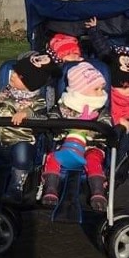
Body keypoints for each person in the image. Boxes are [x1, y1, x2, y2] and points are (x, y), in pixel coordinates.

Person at [0, 53, 61, 202]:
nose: (13, 75)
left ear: (30, 83)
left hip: (22, 140)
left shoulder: (37, 102)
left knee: (22, 153)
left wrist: (27, 113)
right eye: (15, 72)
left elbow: (44, 118)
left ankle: (15, 188)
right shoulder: (4, 93)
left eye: (19, 75)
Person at [42, 61, 111, 212]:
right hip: (65, 146)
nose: (102, 93)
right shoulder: (64, 106)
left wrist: (90, 131)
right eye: (96, 89)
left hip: (91, 147)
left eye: (102, 88)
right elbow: (52, 120)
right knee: (52, 157)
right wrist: (60, 127)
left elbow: (107, 126)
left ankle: (98, 191)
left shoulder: (100, 110)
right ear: (82, 90)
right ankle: (51, 189)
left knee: (93, 158)